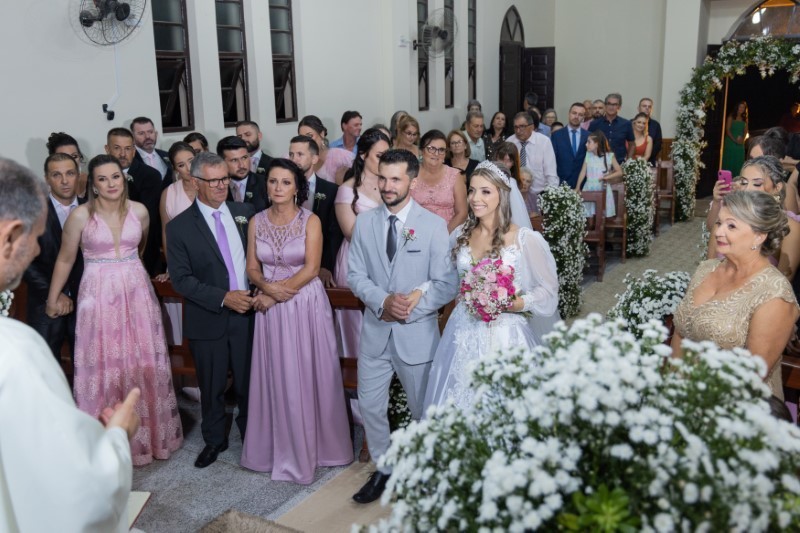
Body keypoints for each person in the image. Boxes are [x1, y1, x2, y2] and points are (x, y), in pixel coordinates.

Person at [1, 156, 141, 532]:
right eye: (34, 239)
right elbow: (79, 489)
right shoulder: (14, 350)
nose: (35, 252)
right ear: (10, 236)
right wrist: (117, 438)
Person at [46, 154, 183, 466]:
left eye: (115, 177)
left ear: (124, 179)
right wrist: (53, 298)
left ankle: (147, 437)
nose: (110, 184)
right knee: (103, 362)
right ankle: (103, 440)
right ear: (93, 185)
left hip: (137, 292)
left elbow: (141, 250)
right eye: (103, 179)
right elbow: (65, 258)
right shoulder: (80, 216)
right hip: (97, 295)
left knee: (141, 359)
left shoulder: (140, 211)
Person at [347, 149, 459, 504]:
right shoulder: (364, 222)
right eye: (382, 178)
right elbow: (355, 275)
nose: (387, 186)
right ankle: (384, 468)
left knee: (423, 410)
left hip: (417, 335)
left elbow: (446, 284)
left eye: (395, 179)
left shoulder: (432, 225)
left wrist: (409, 308)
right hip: (376, 333)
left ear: (412, 181)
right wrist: (383, 301)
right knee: (370, 406)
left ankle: (428, 473)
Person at [240, 158, 353, 484]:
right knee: (275, 373)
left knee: (307, 372)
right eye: (273, 181)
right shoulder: (256, 221)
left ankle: (319, 447)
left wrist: (274, 295)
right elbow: (252, 268)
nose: (278, 187)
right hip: (270, 308)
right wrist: (266, 289)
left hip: (303, 303)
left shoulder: (310, 220)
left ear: (297, 188)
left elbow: (311, 268)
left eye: (285, 182)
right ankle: (274, 449)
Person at [423, 161, 559, 410]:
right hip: (462, 332)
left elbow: (548, 290)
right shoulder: (460, 235)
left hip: (507, 334)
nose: (475, 198)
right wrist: (418, 294)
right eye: (472, 190)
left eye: (485, 191)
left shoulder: (524, 239)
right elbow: (447, 281)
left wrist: (514, 303)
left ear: (502, 195)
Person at [167, 152, 256, 468]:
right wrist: (223, 297)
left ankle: (253, 438)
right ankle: (214, 440)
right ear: (195, 182)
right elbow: (181, 280)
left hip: (247, 313)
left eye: (225, 179)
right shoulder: (179, 227)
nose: (221, 185)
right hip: (208, 316)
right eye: (213, 180)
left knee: (249, 383)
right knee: (212, 385)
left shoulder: (245, 213)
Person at [673, 190, 799, 401]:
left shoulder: (774, 293)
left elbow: (751, 376)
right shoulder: (706, 269)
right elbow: (680, 333)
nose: (719, 232)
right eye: (719, 223)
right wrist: (672, 388)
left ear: (759, 236)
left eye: (731, 226)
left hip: (736, 405)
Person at [334, 128, 391, 358]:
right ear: (363, 155)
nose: (384, 161)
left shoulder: (392, 187)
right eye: (379, 156)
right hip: (357, 261)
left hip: (389, 260)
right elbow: (351, 233)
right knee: (357, 327)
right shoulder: (347, 190)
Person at [23, 153, 85, 363]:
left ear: (78, 175)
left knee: (87, 370)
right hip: (44, 304)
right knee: (45, 368)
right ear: (47, 178)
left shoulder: (92, 209)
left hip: (86, 302)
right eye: (57, 175)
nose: (65, 181)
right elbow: (25, 263)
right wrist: (54, 294)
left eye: (70, 173)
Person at [707, 155, 800, 282]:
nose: (748, 189)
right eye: (744, 182)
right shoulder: (724, 220)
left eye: (757, 184)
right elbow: (708, 271)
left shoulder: (791, 228)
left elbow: (783, 283)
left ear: (777, 188)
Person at [104, 127, 162, 275]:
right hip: (105, 253)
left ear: (134, 151)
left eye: (128, 148)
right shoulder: (98, 176)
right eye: (117, 148)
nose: (123, 154)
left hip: (142, 251)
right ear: (107, 149)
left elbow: (148, 218)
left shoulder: (150, 176)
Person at [156, 142, 198, 346]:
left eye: (191, 161)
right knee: (181, 334)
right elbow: (166, 234)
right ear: (175, 169)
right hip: (180, 263)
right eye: (181, 165)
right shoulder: (169, 193)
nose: (188, 168)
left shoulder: (211, 185)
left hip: (210, 264)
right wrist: (172, 266)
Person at [286, 135, 343, 288]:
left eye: (300, 154)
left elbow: (334, 233)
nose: (294, 160)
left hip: (319, 263)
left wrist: (326, 266)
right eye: (291, 154)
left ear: (314, 159)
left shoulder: (330, 190)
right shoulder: (282, 190)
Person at [411, 129, 468, 233]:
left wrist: (443, 235)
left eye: (441, 150)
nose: (436, 153)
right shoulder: (411, 174)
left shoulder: (455, 176)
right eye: (431, 149)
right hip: (414, 232)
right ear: (421, 151)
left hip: (448, 232)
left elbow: (462, 213)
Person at [576, 130, 622, 218]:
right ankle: (591, 226)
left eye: (589, 142)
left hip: (602, 187)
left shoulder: (609, 156)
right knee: (589, 213)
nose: (586, 144)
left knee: (601, 212)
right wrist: (578, 187)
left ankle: (600, 226)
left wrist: (607, 177)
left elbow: (620, 172)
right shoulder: (588, 155)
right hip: (589, 187)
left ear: (597, 144)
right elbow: (583, 172)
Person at [297, 114, 355, 184]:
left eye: (310, 136)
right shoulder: (295, 159)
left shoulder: (339, 156)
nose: (306, 141)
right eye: (301, 138)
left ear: (322, 134)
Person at [218, 135, 268, 213]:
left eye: (244, 158)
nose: (241, 165)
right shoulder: (216, 186)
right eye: (234, 160)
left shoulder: (265, 183)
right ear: (222, 162)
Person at [551, 102, 590, 188]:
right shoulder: (556, 135)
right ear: (569, 114)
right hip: (561, 184)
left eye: (580, 114)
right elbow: (551, 160)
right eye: (574, 113)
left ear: (583, 117)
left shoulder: (589, 136)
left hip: (583, 185)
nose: (576, 116)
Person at [589, 93, 635, 163]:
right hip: (598, 164)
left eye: (615, 104)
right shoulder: (594, 124)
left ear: (619, 107)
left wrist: (628, 162)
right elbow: (588, 144)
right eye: (609, 104)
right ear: (605, 105)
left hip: (620, 163)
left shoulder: (626, 124)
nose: (611, 107)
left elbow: (632, 144)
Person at [131, 116, 172, 186]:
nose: (147, 136)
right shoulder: (130, 160)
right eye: (141, 133)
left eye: (150, 132)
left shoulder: (167, 155)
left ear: (156, 134)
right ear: (132, 137)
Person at [46, 131, 88, 197]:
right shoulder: (45, 191)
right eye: (64, 157)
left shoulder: (93, 181)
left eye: (74, 156)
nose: (71, 162)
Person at [722, 101, 749, 176]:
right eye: (740, 107)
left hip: (740, 144)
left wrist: (742, 139)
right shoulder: (731, 117)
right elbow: (727, 130)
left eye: (743, 107)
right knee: (729, 161)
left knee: (739, 161)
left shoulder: (745, 119)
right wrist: (734, 140)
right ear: (737, 107)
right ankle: (726, 179)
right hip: (730, 142)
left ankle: (737, 180)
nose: (741, 109)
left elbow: (745, 131)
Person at [638, 97, 662, 164]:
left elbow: (658, 145)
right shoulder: (630, 123)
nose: (647, 108)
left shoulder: (656, 125)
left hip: (650, 162)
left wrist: (646, 157)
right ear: (638, 108)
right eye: (644, 106)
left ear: (651, 110)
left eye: (649, 106)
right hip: (632, 160)